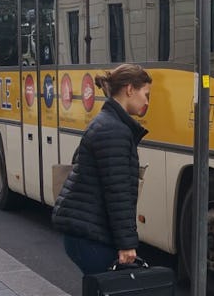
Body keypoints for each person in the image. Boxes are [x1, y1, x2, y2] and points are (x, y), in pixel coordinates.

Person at [52, 64, 153, 275]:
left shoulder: (108, 123)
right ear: (129, 89)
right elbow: (118, 192)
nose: (147, 101)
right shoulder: (113, 130)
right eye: (146, 94)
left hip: (87, 231)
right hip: (90, 235)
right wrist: (126, 244)